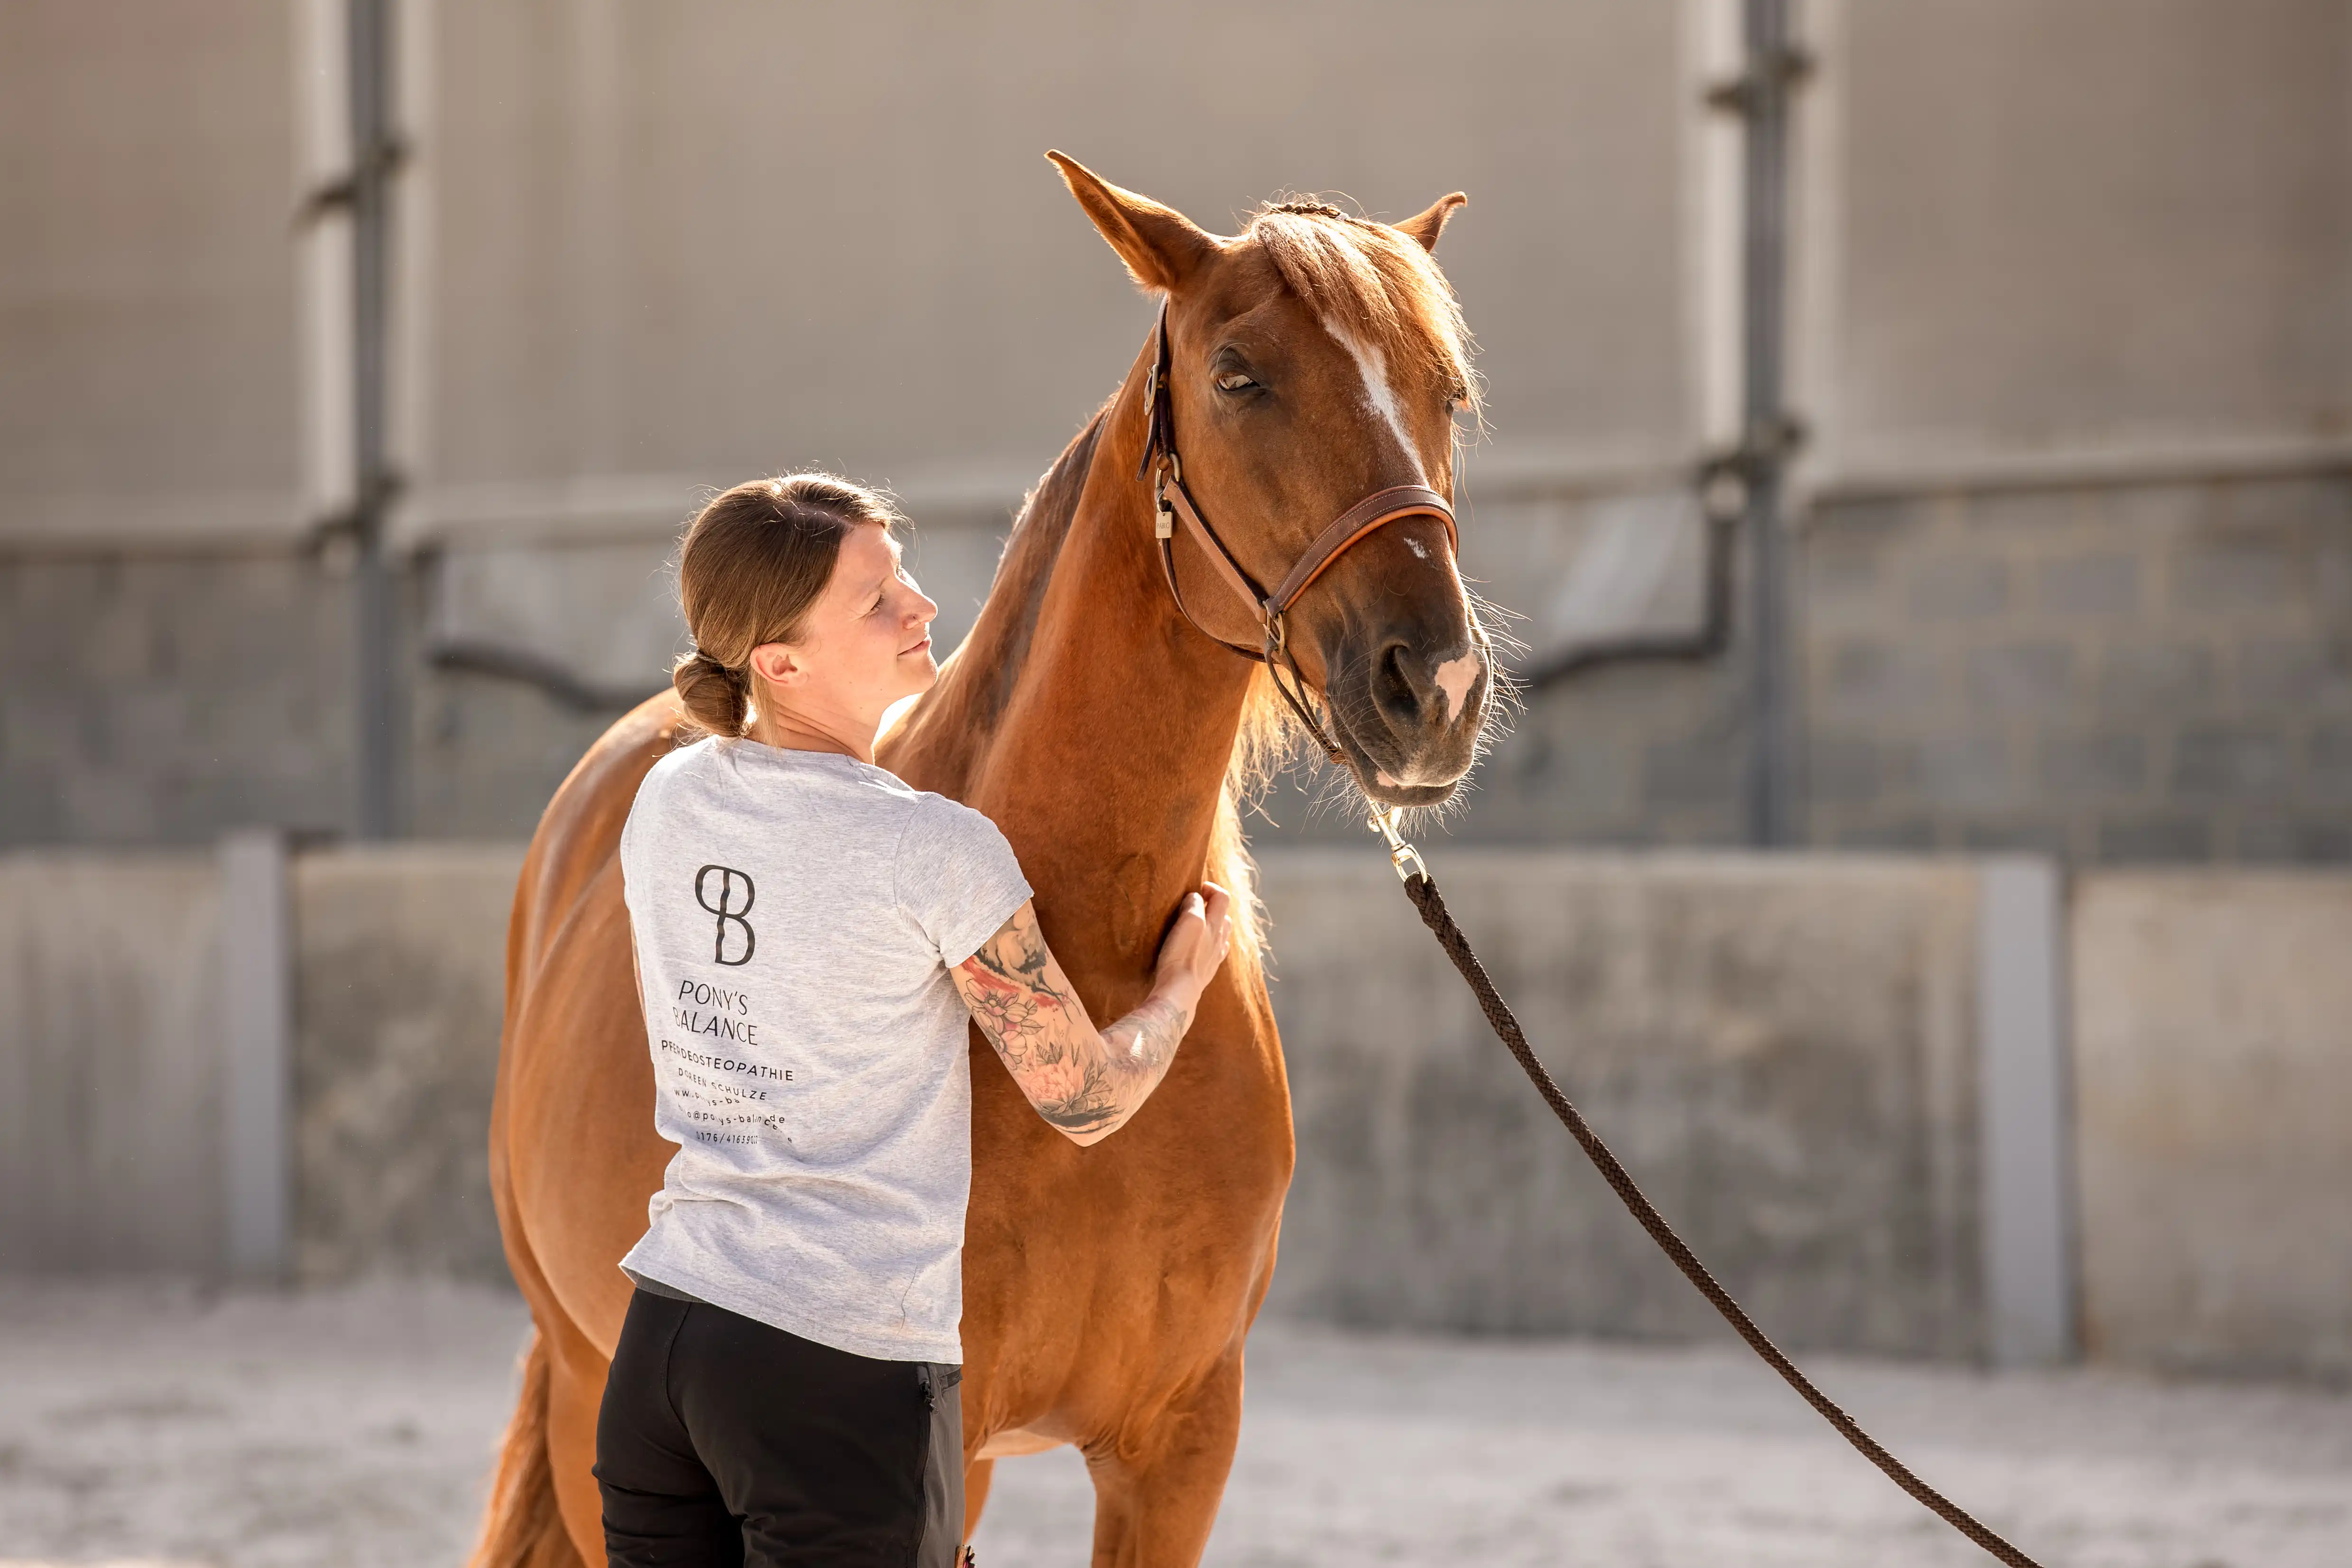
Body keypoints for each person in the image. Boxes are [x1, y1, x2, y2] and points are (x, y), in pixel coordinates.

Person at [595, 474, 1233, 1568]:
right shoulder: (930, 848)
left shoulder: (668, 798)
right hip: (837, 1370)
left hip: (665, 1343)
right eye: (876, 598)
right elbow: (1082, 1097)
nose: (922, 608)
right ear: (780, 663)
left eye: (902, 579)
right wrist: (1178, 991)